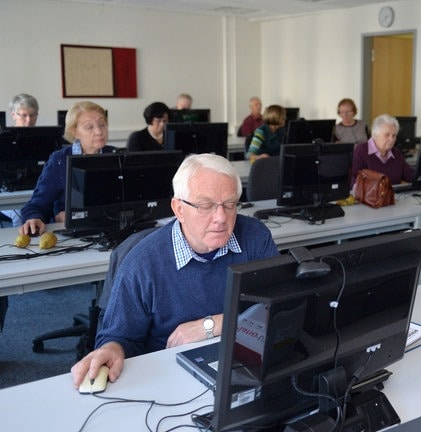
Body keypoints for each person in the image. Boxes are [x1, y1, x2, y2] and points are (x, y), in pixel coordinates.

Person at [71, 153, 279, 387]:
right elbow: (119, 337)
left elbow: (278, 306)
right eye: (205, 206)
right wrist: (111, 350)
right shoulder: (142, 263)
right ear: (178, 209)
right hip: (170, 377)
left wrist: (212, 325)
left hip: (242, 362)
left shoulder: (255, 237)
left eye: (229, 204)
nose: (221, 217)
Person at [19, 101, 116, 236]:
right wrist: (34, 217)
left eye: (102, 124)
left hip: (110, 230)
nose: (99, 131)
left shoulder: (116, 156)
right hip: (73, 234)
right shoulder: (60, 160)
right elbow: (37, 205)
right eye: (89, 127)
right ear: (74, 131)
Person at [2, 93, 40, 226]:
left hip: (35, 189)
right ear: (13, 115)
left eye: (33, 115)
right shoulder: (3, 141)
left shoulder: (46, 140)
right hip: (8, 192)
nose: (29, 120)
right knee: (21, 213)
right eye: (24, 115)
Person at [350, 114, 414, 188]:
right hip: (370, 198)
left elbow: (411, 175)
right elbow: (352, 179)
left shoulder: (396, 154)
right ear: (375, 135)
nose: (391, 139)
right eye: (387, 135)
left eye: (394, 135)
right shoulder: (361, 151)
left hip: (394, 198)